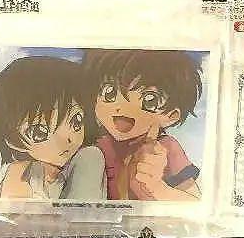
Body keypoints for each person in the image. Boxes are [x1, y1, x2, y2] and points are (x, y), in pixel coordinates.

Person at [83, 49, 202, 201]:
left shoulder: (166, 147)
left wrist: (157, 188)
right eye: (110, 92)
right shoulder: (95, 144)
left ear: (171, 116)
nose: (124, 108)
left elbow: (194, 200)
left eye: (149, 100)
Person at [0, 56, 105, 200]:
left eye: (76, 121)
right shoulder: (19, 174)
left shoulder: (86, 159)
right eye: (40, 132)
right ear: (11, 140)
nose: (67, 139)